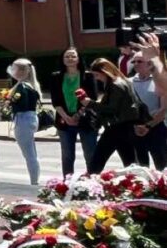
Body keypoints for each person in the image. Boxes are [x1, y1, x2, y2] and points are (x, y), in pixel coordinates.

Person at [82, 58, 142, 173]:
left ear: (105, 72)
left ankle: (87, 186)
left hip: (116, 127)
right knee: (130, 162)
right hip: (125, 127)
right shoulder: (122, 82)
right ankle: (137, 184)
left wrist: (90, 103)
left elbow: (112, 109)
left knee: (97, 160)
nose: (96, 78)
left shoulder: (115, 85)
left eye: (97, 75)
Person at [50, 47, 98, 177]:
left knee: (90, 154)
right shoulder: (56, 77)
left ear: (78, 59)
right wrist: (66, 117)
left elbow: (93, 98)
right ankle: (67, 183)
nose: (70, 59)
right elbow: (55, 101)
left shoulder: (87, 76)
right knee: (67, 155)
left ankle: (93, 182)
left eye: (73, 56)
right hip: (64, 121)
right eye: (67, 56)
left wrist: (78, 115)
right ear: (62, 59)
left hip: (85, 120)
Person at [7, 58, 42, 185]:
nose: (13, 71)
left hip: (23, 119)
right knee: (31, 152)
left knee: (29, 154)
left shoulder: (22, 86)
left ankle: (34, 181)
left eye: (15, 68)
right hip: (31, 118)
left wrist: (9, 102)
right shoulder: (31, 85)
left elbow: (20, 104)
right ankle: (35, 179)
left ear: (21, 71)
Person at [131, 53, 167, 169]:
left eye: (139, 61)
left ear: (149, 63)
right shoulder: (129, 82)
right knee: (140, 169)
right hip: (136, 129)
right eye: (134, 61)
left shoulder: (159, 81)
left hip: (156, 128)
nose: (136, 64)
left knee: (161, 165)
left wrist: (148, 126)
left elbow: (163, 109)